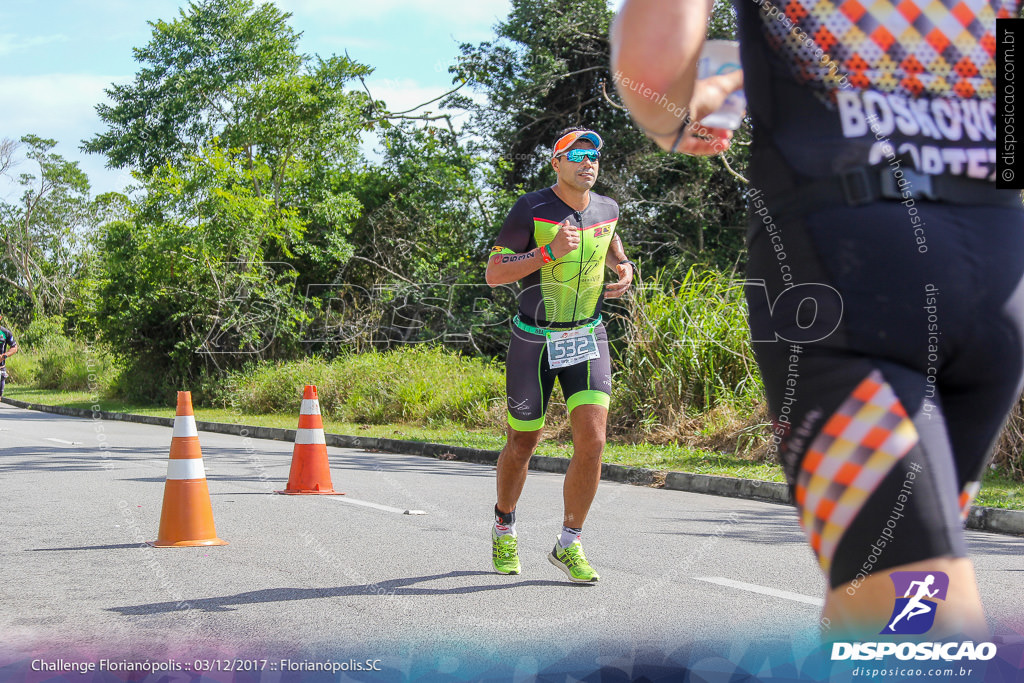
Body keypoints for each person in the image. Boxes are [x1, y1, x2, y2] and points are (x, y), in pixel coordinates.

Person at [612, 0, 1023, 639]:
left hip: (847, 277)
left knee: (910, 626)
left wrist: (688, 111)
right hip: (1000, 281)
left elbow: (654, 77)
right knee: (880, 592)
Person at [485, 127, 636, 582]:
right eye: (576, 154)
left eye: (594, 154)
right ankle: (504, 524)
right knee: (523, 442)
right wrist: (548, 252)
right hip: (534, 340)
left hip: (588, 338)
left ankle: (569, 542)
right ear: (557, 163)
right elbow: (495, 272)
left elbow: (611, 245)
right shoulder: (532, 207)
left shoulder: (608, 207)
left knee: (593, 443)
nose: (587, 161)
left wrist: (625, 267)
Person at [0, 314, 18, 399]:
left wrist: (5, 355)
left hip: (1, 368)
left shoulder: (6, 333)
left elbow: (14, 347)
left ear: (0, 318)